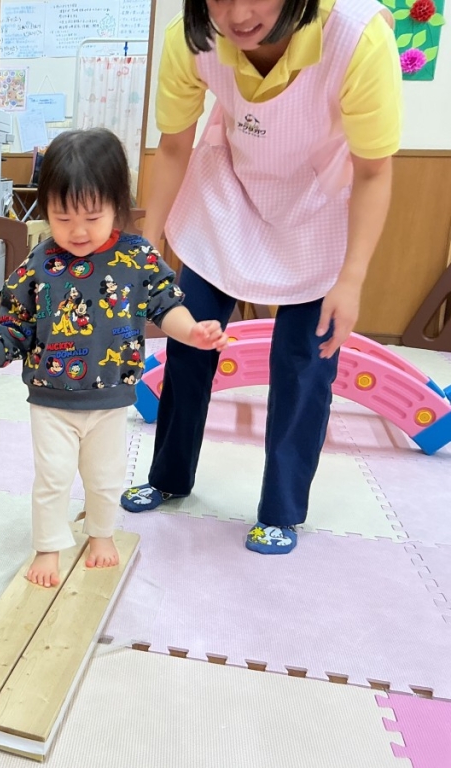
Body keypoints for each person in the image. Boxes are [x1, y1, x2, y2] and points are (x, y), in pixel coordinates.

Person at [120, 0, 402, 554]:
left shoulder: (357, 36)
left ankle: (280, 510)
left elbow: (374, 170)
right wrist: (147, 248)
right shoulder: (192, 36)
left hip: (318, 206)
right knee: (187, 345)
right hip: (228, 193)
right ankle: (169, 477)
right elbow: (175, 144)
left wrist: (353, 279)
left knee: (303, 364)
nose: (237, 14)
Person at [0, 129, 228, 587]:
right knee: (53, 477)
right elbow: (17, 322)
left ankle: (101, 535)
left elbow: (166, 306)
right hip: (50, 398)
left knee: (105, 478)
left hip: (111, 398)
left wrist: (193, 332)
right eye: (62, 218)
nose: (78, 231)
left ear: (117, 206)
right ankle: (48, 547)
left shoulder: (137, 257)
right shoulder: (40, 262)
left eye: (92, 216)